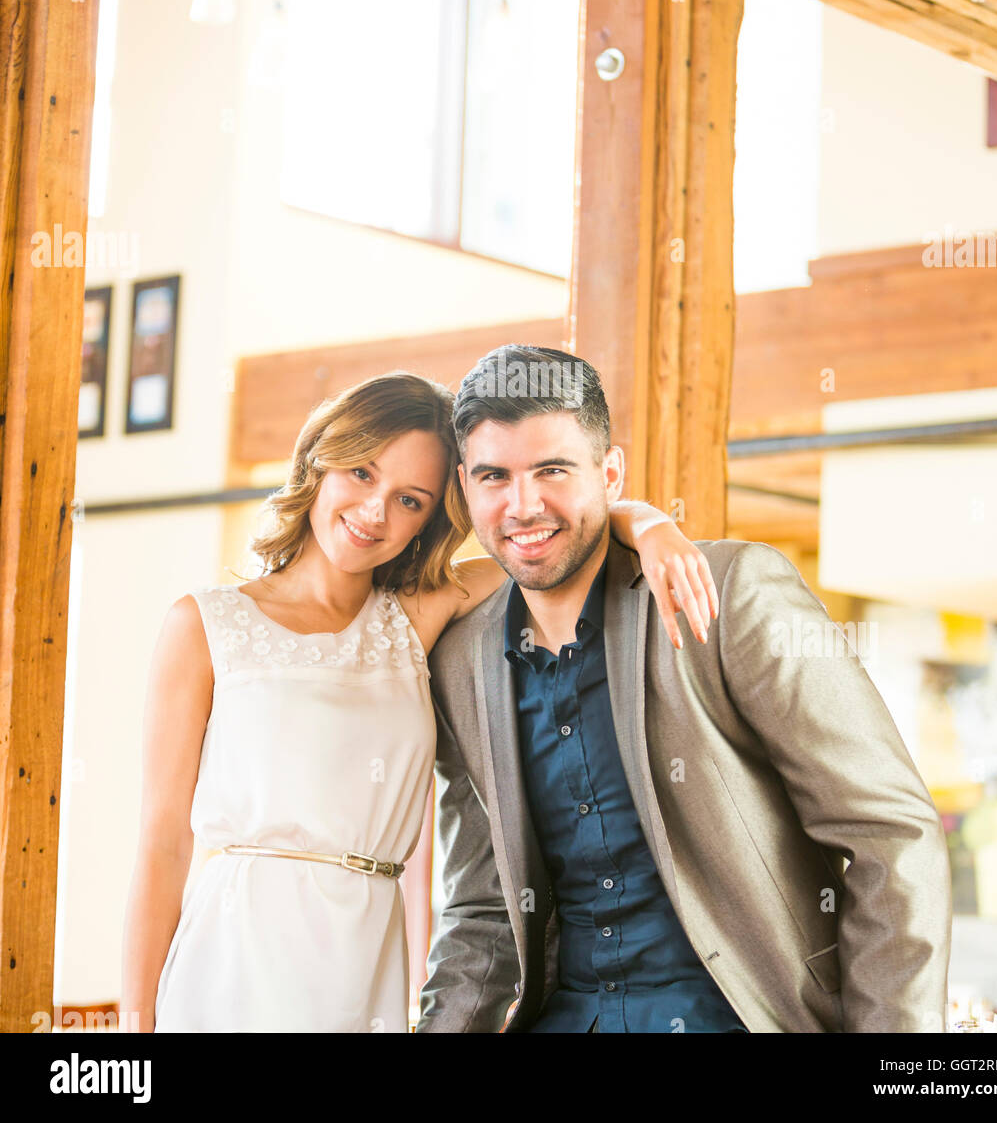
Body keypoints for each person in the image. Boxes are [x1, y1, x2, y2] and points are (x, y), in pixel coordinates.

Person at [120, 370, 717, 1033]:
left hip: (365, 952)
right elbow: (162, 844)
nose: (376, 512)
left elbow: (562, 536)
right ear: (320, 461)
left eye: (410, 499)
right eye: (362, 473)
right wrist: (136, 1024)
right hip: (231, 951)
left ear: (432, 519)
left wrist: (655, 526)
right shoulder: (204, 624)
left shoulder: (418, 615)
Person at [416, 344, 953, 1034]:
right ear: (465, 486)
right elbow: (484, 911)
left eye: (552, 469)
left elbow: (889, 834)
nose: (524, 505)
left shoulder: (732, 597)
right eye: (495, 476)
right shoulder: (460, 662)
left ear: (610, 472)